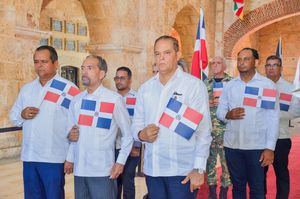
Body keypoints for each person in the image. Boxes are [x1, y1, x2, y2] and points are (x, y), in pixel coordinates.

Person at [132, 35, 212, 199]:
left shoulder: (193, 86)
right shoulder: (145, 89)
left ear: (177, 54)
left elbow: (203, 131)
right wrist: (142, 135)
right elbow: (136, 125)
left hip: (182, 171)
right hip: (153, 169)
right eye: (157, 53)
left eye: (166, 53)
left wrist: (198, 168)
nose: (161, 58)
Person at [10, 45, 80, 199]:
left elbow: (77, 127)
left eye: (44, 61)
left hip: (53, 157)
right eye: (36, 62)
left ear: (55, 64)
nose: (39, 65)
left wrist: (71, 157)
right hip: (30, 157)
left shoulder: (69, 89)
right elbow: (14, 116)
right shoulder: (27, 89)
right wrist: (22, 114)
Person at [64, 55, 133, 199]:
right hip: (80, 170)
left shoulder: (113, 99)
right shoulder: (76, 101)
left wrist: (120, 163)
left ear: (102, 74)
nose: (84, 72)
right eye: (83, 68)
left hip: (103, 171)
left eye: (89, 68)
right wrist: (70, 158)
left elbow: (128, 134)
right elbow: (73, 133)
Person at [216, 48, 279, 199]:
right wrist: (227, 115)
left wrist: (270, 148)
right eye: (239, 59)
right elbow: (220, 111)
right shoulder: (230, 85)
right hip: (233, 146)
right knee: (237, 187)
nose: (241, 63)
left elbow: (273, 118)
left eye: (246, 59)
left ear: (255, 62)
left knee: (257, 188)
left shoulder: (267, 85)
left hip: (256, 147)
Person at [264, 55, 300, 199]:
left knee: (281, 173)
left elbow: (297, 111)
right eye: (268, 65)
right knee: (259, 174)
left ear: (281, 68)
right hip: (261, 138)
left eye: (275, 65)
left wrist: (274, 115)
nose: (271, 68)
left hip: (281, 138)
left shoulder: (290, 88)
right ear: (265, 68)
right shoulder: (260, 86)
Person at [204, 57, 232, 199]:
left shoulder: (233, 83)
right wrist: (206, 104)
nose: (214, 65)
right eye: (212, 63)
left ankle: (224, 189)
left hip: (227, 130)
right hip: (210, 130)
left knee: (227, 162)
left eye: (218, 63)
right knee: (210, 161)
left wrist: (224, 104)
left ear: (225, 66)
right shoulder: (205, 83)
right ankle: (212, 190)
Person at [114, 66, 141, 199]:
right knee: (115, 181)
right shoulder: (111, 98)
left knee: (127, 180)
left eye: (122, 78)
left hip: (131, 148)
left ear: (129, 80)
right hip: (113, 147)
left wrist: (136, 145)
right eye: (117, 78)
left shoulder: (137, 98)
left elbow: (140, 123)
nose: (119, 81)